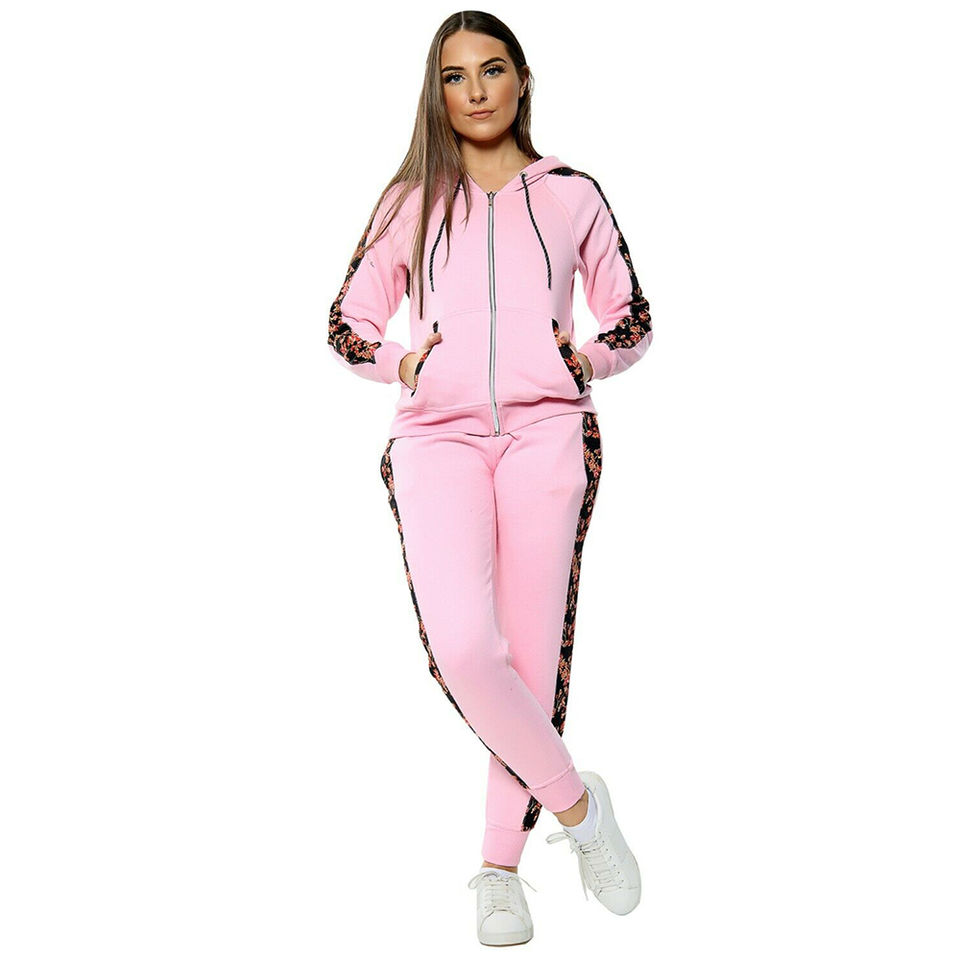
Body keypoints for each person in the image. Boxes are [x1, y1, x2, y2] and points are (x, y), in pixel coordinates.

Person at [328, 11, 653, 947]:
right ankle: (581, 809)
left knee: (531, 656)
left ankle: (498, 869)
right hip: (437, 437)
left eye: (492, 69)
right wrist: (401, 364)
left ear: (522, 80)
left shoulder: (572, 193)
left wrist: (583, 360)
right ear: (436, 94)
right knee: (465, 647)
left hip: (549, 433)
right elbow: (347, 320)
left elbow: (632, 315)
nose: (475, 91)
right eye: (454, 76)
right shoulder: (411, 200)